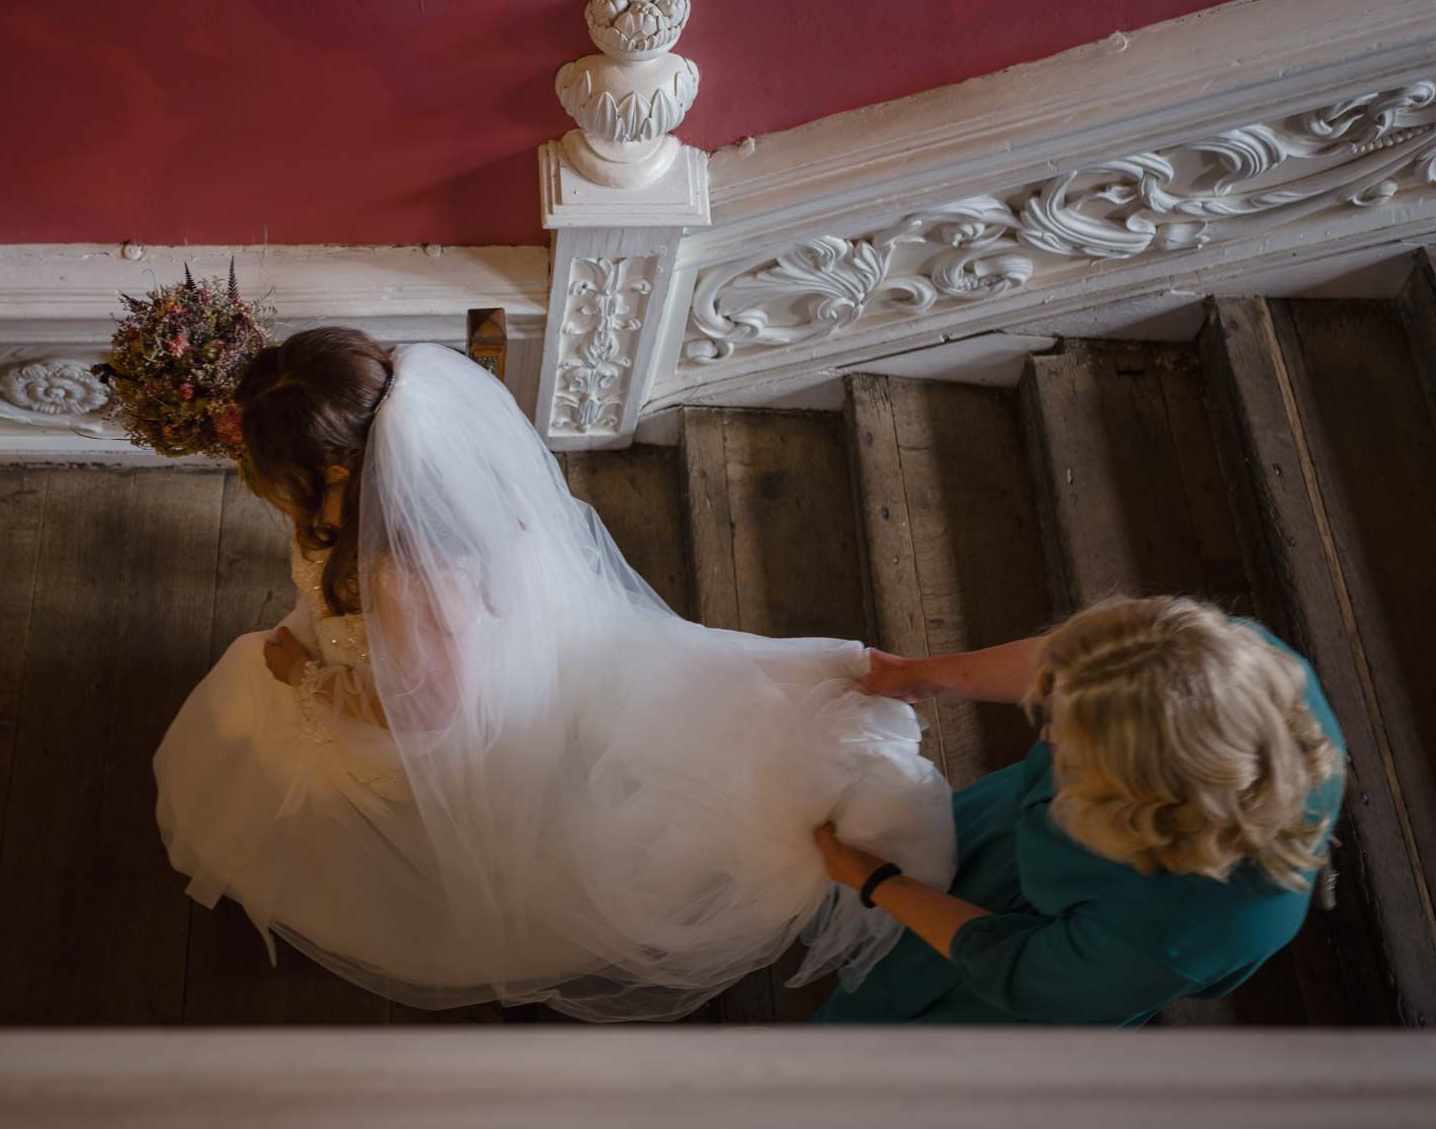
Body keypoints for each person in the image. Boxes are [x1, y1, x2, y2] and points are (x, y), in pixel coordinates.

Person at [153, 327, 955, 1022]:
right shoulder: (426, 464)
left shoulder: (402, 569)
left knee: (248, 702)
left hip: (420, 721)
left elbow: (428, 708)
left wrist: (303, 677)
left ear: (334, 462)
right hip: (457, 652)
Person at [810, 596, 1345, 1025]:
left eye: (1066, 739)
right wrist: (922, 674)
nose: (1043, 733)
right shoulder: (1226, 666)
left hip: (1019, 950)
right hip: (1015, 834)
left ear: (1138, 791)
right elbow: (1077, 663)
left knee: (893, 1013)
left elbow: (1014, 968)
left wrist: (876, 880)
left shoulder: (1173, 934)